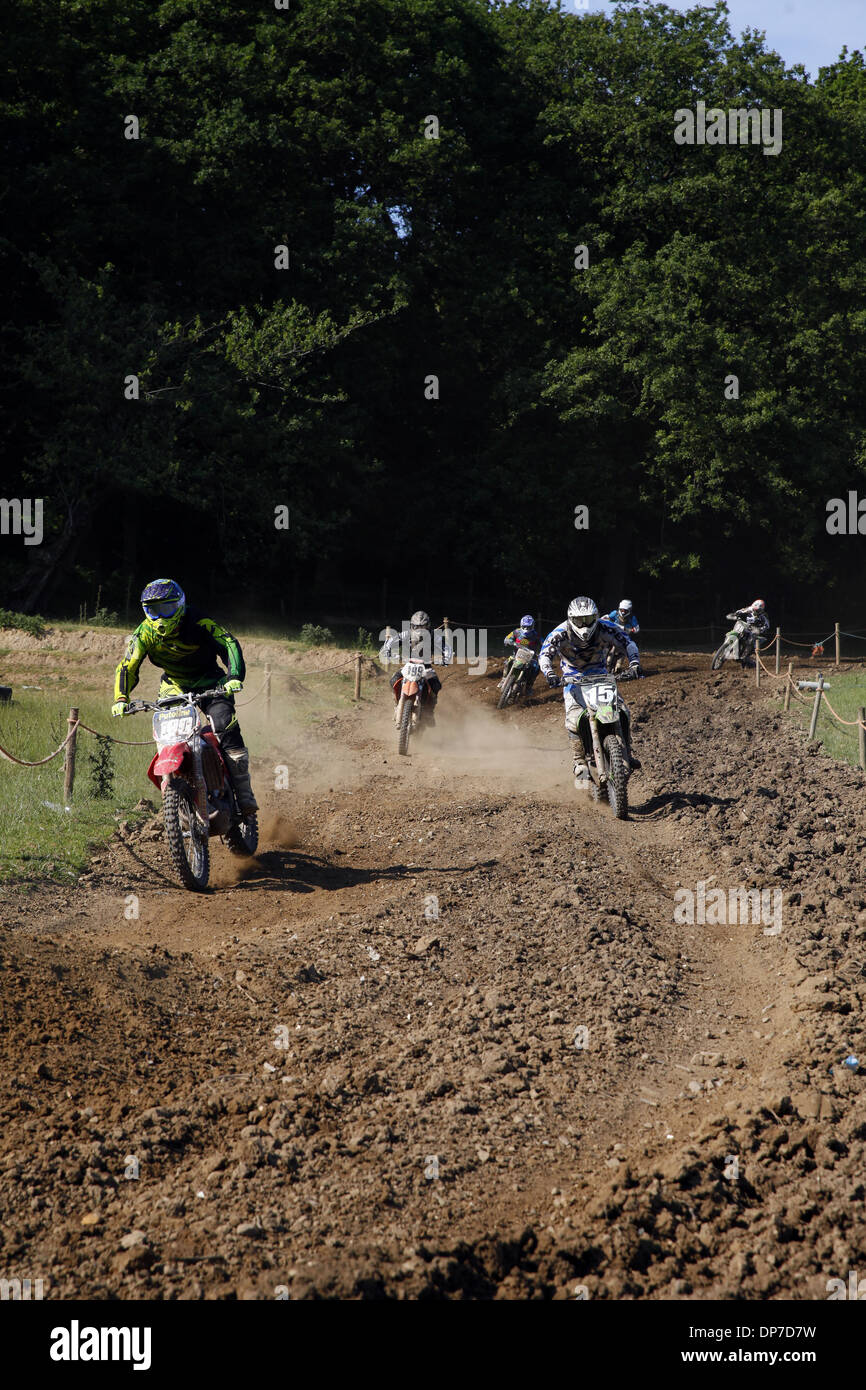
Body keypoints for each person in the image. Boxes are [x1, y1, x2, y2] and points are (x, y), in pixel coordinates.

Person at [111, 578, 259, 818]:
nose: (160, 617)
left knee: (223, 724)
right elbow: (127, 665)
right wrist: (121, 698)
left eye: (166, 609)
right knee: (168, 736)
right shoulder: (145, 633)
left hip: (211, 681)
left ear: (179, 605)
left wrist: (233, 676)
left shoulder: (199, 622)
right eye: (153, 610)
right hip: (174, 685)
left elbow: (228, 643)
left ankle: (244, 793)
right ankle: (174, 794)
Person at [539, 596, 642, 787]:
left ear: (595, 617)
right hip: (573, 678)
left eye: (588, 620)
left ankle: (626, 749)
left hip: (601, 676)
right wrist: (550, 674)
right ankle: (579, 762)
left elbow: (628, 642)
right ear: (571, 618)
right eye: (580, 621)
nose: (584, 625)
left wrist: (634, 663)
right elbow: (545, 654)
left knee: (622, 711)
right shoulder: (560, 633)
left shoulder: (606, 627)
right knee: (573, 719)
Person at [380, 610, 450, 726]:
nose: (420, 629)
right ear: (412, 626)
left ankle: (430, 712)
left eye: (422, 626)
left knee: (435, 684)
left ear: (428, 626)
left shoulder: (434, 635)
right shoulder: (406, 634)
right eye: (417, 626)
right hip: (409, 665)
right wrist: (387, 651)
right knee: (393, 680)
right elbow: (390, 642)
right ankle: (396, 704)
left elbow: (446, 648)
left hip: (426, 667)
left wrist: (445, 659)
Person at [501, 614, 541, 691]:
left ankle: (529, 686)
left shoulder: (536, 635)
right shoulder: (516, 632)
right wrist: (510, 642)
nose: (526, 629)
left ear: (532, 626)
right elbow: (507, 638)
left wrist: (543, 652)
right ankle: (504, 678)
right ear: (521, 625)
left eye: (529, 627)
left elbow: (543, 644)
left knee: (536, 668)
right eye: (525, 626)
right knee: (508, 662)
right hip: (516, 655)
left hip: (529, 658)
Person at [732, 598, 770, 666]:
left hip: (756, 632)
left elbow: (767, 625)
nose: (755, 611)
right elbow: (742, 610)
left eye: (757, 610)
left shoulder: (763, 616)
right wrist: (737, 612)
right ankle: (733, 648)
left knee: (750, 641)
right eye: (754, 609)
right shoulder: (750, 609)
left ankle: (745, 657)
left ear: (761, 610)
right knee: (739, 634)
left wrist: (760, 629)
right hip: (747, 627)